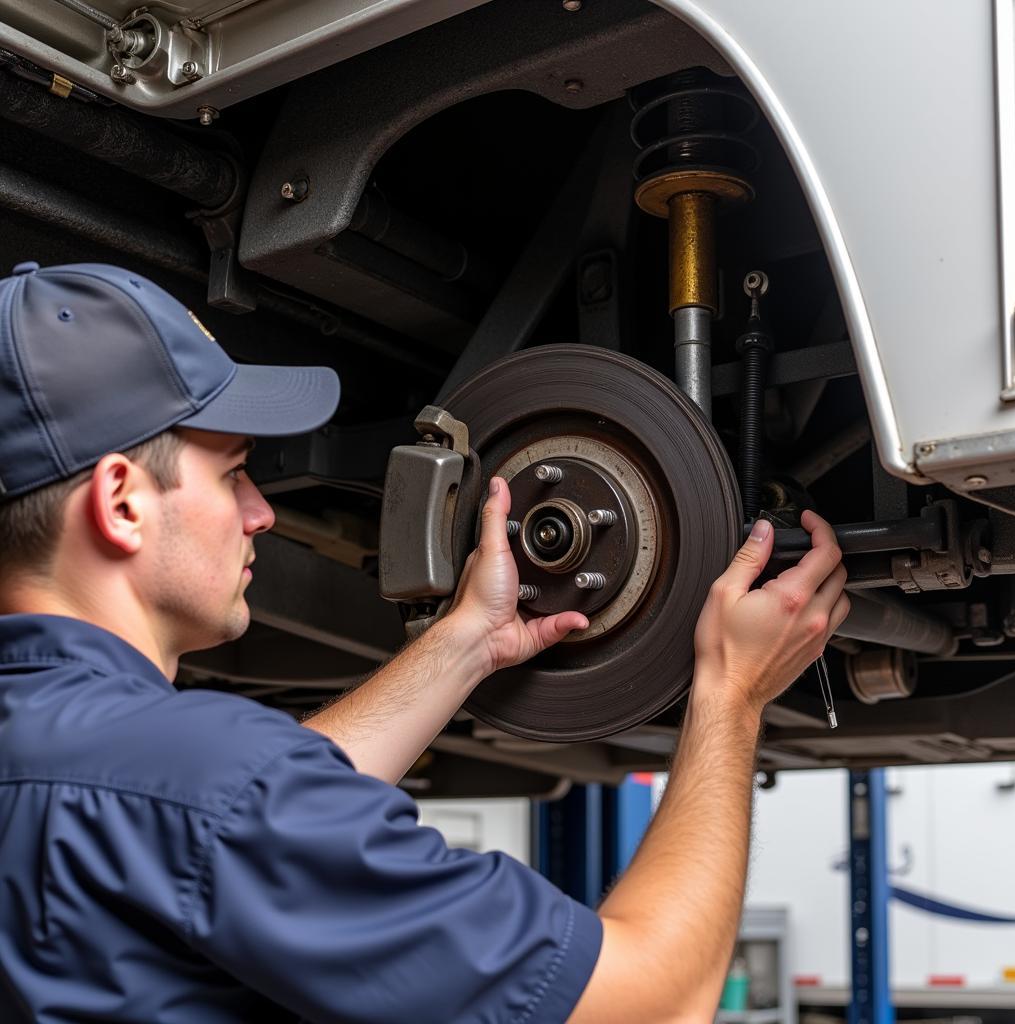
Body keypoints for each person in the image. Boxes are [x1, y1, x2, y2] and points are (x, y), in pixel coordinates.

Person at [0, 261, 849, 1023]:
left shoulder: (93, 762)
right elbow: (654, 1007)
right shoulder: (200, 784)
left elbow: (219, 816)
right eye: (232, 474)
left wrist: (467, 643)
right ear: (122, 502)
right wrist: (730, 695)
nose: (262, 511)